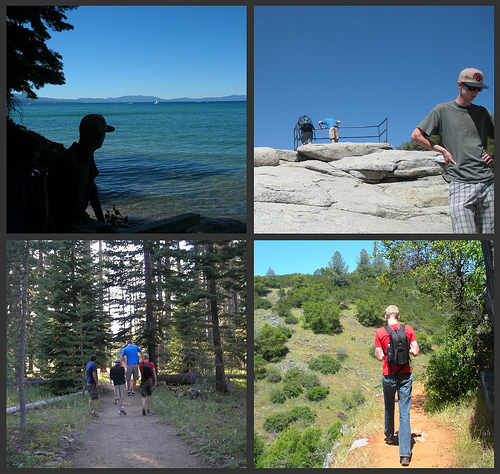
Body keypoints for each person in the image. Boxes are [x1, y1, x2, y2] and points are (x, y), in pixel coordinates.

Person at [411, 68, 494, 234]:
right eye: (471, 87)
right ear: (459, 85)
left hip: (488, 183)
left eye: (478, 89)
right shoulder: (442, 110)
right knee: (465, 237)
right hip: (460, 182)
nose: (475, 92)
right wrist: (442, 150)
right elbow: (416, 135)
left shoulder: (483, 113)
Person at [47, 114, 117, 233]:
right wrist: (51, 229)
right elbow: (49, 197)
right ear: (99, 137)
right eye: (104, 134)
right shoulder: (68, 160)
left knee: (110, 231)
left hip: (80, 217)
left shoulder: (87, 156)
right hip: (65, 221)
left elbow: (91, 187)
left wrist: (101, 220)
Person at [374, 305, 419, 466]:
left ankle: (389, 435)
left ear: (386, 317)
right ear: (398, 316)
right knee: (404, 412)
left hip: (389, 374)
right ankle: (405, 454)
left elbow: (379, 357)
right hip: (405, 374)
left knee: (389, 405)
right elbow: (415, 351)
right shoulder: (408, 329)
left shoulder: (380, 332)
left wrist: (384, 352)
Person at [7, 125, 53, 232]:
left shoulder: (28, 184)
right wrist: (43, 194)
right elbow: (41, 227)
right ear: (20, 163)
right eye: (34, 160)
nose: (36, 165)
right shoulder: (27, 185)